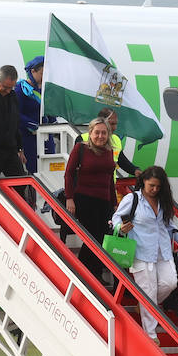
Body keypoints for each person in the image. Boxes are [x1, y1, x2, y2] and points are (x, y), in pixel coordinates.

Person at [110, 165, 178, 341]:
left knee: (170, 282)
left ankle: (145, 305)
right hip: (140, 251)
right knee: (148, 291)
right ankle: (151, 334)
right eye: (151, 186)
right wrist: (121, 227)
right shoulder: (132, 198)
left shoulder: (163, 200)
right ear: (143, 183)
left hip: (162, 250)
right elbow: (116, 217)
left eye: (158, 186)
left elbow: (168, 224)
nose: (155, 190)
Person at [64, 118, 116, 282]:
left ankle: (96, 273)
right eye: (97, 132)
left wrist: (115, 204)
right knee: (93, 237)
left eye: (104, 133)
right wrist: (69, 198)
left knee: (104, 239)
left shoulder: (108, 151)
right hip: (85, 199)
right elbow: (69, 174)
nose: (100, 136)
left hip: (105, 202)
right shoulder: (81, 148)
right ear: (90, 133)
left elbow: (110, 180)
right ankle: (85, 273)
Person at [16, 55, 48, 172]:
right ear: (32, 71)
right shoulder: (21, 89)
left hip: (46, 137)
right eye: (42, 73)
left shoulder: (45, 90)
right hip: (29, 138)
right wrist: (35, 126)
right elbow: (16, 115)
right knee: (34, 171)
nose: (44, 77)